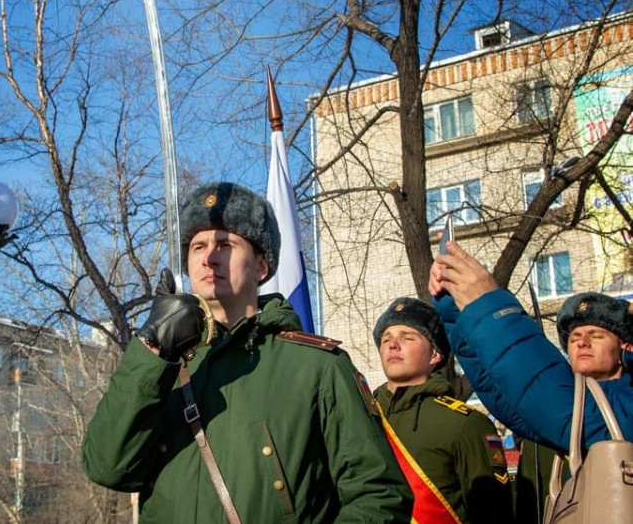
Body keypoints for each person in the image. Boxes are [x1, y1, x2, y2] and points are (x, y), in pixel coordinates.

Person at [82, 182, 413, 523]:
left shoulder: (318, 366)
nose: (209, 257)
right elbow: (107, 468)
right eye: (198, 247)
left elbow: (380, 495)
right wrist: (153, 346)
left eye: (225, 245)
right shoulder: (160, 368)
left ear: (261, 266)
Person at [429, 241, 633, 454]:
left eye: (596, 335)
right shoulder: (556, 401)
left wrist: (487, 306)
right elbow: (506, 393)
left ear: (626, 348)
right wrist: (454, 298)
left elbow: (569, 413)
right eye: (574, 338)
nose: (582, 343)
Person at [372, 297, 514, 523]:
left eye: (407, 337)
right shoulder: (363, 415)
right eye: (386, 339)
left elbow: (493, 514)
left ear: (435, 354)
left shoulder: (466, 424)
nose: (392, 345)